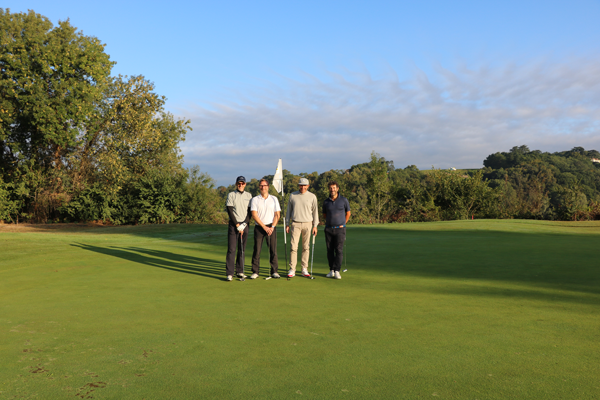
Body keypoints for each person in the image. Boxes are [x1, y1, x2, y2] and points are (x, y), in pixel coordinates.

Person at [285, 177, 319, 277]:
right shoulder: (292, 195)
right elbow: (288, 211)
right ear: (299, 185)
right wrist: (287, 223)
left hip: (308, 223)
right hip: (295, 223)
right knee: (293, 247)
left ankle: (304, 268)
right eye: (301, 185)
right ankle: (292, 269)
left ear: (308, 186)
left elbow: (315, 212)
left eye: (304, 185)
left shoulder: (312, 196)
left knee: (306, 247)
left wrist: (315, 225)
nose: (303, 187)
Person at [249, 179, 281, 279]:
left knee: (273, 250)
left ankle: (274, 271)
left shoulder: (274, 199)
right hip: (259, 227)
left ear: (268, 186)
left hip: (271, 227)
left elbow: (277, 215)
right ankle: (255, 271)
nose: (263, 187)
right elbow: (254, 215)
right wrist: (264, 227)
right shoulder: (255, 199)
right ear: (259, 187)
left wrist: (272, 227)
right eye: (261, 185)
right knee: (257, 250)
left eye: (265, 185)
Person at [225, 176, 252, 281]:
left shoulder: (249, 195)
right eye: (239, 183)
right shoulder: (231, 195)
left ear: (245, 184)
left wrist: (244, 224)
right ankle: (230, 273)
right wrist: (237, 225)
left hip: (245, 225)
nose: (241, 185)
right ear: (236, 184)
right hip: (233, 225)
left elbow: (250, 212)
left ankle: (240, 271)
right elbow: (230, 210)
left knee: (242, 249)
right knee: (232, 249)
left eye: (243, 183)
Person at [322, 181, 351, 279]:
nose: (332, 189)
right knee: (330, 250)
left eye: (334, 188)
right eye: (330, 188)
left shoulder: (343, 200)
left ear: (337, 189)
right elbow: (325, 215)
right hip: (329, 229)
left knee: (338, 250)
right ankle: (332, 270)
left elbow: (348, 213)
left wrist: (343, 223)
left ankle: (337, 270)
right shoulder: (326, 202)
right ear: (328, 189)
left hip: (340, 230)